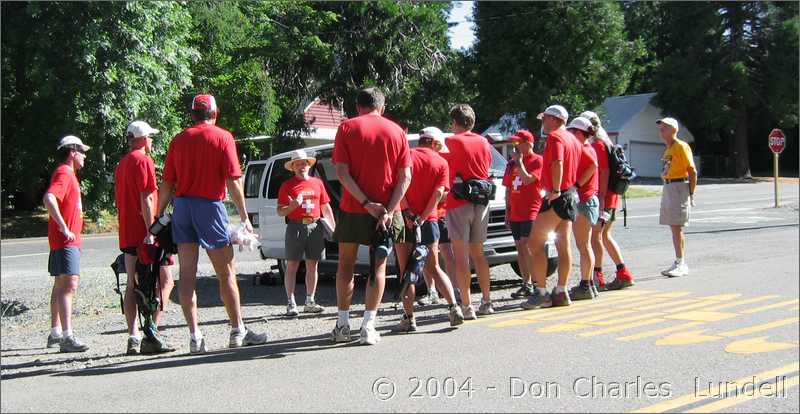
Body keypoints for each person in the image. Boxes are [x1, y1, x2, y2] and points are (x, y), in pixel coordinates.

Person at [157, 94, 268, 354]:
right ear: (214, 113)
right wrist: (244, 217)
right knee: (226, 272)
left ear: (192, 114)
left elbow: (167, 184)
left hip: (182, 208)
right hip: (210, 206)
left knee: (186, 275)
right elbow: (232, 180)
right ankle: (237, 330)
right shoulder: (222, 137)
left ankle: (195, 337)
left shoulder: (179, 139)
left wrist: (158, 215)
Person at [330, 87, 411, 345]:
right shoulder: (397, 131)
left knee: (345, 265)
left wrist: (366, 203)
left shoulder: (347, 128)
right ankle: (368, 326)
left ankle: (343, 325)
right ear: (382, 107)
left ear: (358, 106)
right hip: (388, 212)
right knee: (379, 268)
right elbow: (405, 177)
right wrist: (387, 209)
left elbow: (342, 173)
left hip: (354, 208)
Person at [392, 128, 464, 333]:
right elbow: (439, 193)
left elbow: (400, 185)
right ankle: (453, 307)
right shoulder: (442, 163)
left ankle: (409, 318)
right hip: (429, 221)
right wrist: (423, 217)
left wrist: (407, 212)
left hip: (404, 220)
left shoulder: (407, 157)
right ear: (435, 143)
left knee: (407, 271)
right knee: (433, 267)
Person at [114, 121, 175, 354]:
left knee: (132, 283)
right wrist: (152, 230)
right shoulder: (143, 161)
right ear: (142, 139)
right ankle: (152, 332)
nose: (152, 141)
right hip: (145, 234)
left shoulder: (121, 165)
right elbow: (148, 197)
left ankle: (132, 336)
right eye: (150, 137)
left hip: (127, 232)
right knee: (164, 280)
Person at [522, 105, 582, 309]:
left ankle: (541, 292)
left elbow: (557, 162)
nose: (543, 122)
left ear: (555, 120)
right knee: (563, 245)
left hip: (557, 195)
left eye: (545, 118)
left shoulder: (556, 137)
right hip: (570, 194)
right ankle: (561, 290)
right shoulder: (573, 139)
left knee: (534, 243)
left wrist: (555, 189)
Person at [444, 104, 494, 318]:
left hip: (459, 202)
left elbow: (446, 168)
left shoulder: (451, 141)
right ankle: (486, 301)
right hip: (481, 201)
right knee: (479, 254)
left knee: (461, 256)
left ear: (455, 123)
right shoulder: (484, 141)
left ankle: (467, 305)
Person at [43, 135, 90, 353]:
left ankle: (55, 332)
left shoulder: (67, 173)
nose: (85, 156)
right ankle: (67, 337)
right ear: (72, 152)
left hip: (63, 241)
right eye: (82, 152)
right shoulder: (65, 173)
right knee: (69, 285)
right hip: (66, 241)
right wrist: (64, 227)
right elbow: (49, 198)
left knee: (60, 285)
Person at [580, 111, 635, 291]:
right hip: (609, 197)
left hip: (604, 197)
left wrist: (600, 197)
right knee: (603, 236)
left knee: (596, 237)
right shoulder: (604, 141)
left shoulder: (598, 145)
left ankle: (597, 277)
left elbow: (603, 172)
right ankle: (623, 273)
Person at [276, 149, 335, 316]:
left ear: (309, 165)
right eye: (298, 164)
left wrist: (333, 227)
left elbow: (326, 206)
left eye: (304, 163)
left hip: (315, 226)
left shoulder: (318, 183)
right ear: (293, 167)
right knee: (292, 265)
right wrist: (293, 205)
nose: (302, 166)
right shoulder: (287, 186)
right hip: (295, 227)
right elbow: (280, 212)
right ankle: (290, 302)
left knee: (313, 265)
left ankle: (310, 300)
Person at [502, 130, 543, 299]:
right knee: (520, 247)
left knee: (527, 245)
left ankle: (536, 283)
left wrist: (519, 163)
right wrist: (507, 211)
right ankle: (526, 283)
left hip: (531, 209)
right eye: (514, 143)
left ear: (529, 144)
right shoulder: (511, 164)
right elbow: (508, 188)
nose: (515, 146)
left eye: (519, 143)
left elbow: (527, 180)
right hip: (515, 211)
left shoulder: (537, 160)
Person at [657, 117, 697, 277]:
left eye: (665, 128)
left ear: (674, 130)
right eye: (660, 128)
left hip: (679, 186)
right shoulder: (668, 149)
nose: (661, 131)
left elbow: (692, 171)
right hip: (669, 186)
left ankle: (681, 263)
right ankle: (678, 261)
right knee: (673, 226)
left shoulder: (681, 146)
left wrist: (691, 193)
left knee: (676, 226)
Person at [565, 117, 600, 301]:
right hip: (588, 201)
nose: (569, 134)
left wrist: (576, 185)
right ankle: (589, 284)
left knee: (583, 245)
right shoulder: (587, 148)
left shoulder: (584, 148)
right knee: (584, 245)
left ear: (579, 132)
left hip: (584, 201)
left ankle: (586, 284)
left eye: (571, 131)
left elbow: (593, 166)